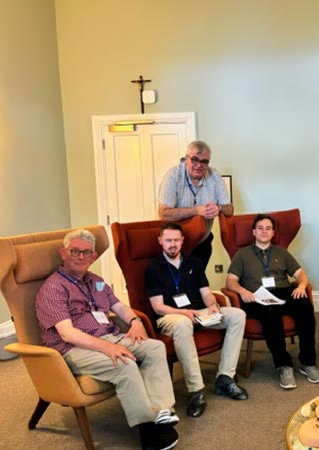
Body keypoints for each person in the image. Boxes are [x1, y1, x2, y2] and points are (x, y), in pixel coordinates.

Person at [36, 229, 179, 450]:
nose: (81, 257)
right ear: (64, 253)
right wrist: (108, 347)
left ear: (93, 257)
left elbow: (119, 307)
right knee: (124, 362)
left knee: (155, 348)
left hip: (109, 336)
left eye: (87, 253)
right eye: (75, 251)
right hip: (73, 348)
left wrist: (135, 322)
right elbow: (67, 333)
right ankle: (147, 428)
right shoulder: (53, 288)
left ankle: (161, 412)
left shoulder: (97, 282)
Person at [145, 222, 248, 418]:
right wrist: (185, 313)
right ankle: (196, 390)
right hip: (170, 316)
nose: (173, 244)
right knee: (183, 324)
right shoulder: (153, 268)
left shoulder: (194, 262)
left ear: (182, 240)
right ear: (160, 241)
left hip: (199, 313)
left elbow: (206, 293)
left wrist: (213, 305)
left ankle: (225, 377)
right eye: (168, 240)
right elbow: (158, 307)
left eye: (176, 240)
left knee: (237, 315)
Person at [225, 214, 319, 389]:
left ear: (273, 233)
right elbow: (230, 281)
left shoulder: (281, 252)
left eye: (268, 228)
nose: (264, 231)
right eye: (260, 228)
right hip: (255, 296)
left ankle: (307, 362)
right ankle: (284, 365)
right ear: (254, 232)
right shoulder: (242, 254)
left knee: (304, 306)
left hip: (282, 291)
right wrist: (242, 291)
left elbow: (301, 274)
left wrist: (302, 286)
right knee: (270, 314)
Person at [157, 140, 233, 268]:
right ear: (186, 159)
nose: (199, 165)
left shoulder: (215, 176)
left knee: (198, 278)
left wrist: (219, 208)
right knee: (176, 279)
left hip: (202, 241)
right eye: (195, 160)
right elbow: (164, 213)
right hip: (176, 244)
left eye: (204, 162)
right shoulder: (173, 176)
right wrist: (197, 210)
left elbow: (230, 210)